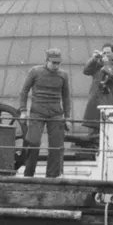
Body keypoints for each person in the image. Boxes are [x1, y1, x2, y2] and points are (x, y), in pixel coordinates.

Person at [16, 49, 72, 178]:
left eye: (58, 63)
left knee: (56, 145)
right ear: (46, 61)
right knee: (33, 142)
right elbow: (23, 91)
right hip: (37, 112)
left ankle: (52, 177)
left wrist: (67, 117)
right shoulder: (35, 71)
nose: (56, 66)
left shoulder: (63, 75)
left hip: (56, 114)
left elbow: (66, 97)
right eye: (53, 63)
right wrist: (23, 111)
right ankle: (28, 175)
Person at [81, 43, 113, 134]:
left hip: (108, 98)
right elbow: (86, 71)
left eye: (108, 52)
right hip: (95, 99)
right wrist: (93, 59)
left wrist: (106, 64)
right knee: (92, 126)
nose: (106, 54)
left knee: (105, 126)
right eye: (104, 52)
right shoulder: (98, 65)